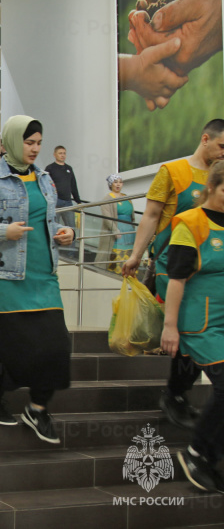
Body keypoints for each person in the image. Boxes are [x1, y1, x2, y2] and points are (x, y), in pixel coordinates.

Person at [0, 115, 75, 444]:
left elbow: (48, 223)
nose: (34, 149)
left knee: (57, 347)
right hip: (2, 278)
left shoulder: (45, 180)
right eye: (28, 142)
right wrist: (2, 232)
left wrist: (65, 233)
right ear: (11, 142)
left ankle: (37, 408)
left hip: (43, 279)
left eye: (38, 143)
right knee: (12, 350)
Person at [122, 119, 224, 430]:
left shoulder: (219, 177)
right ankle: (175, 393)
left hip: (209, 271)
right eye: (221, 146)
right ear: (204, 139)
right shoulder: (172, 172)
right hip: (172, 267)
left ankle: (176, 393)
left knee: (193, 336)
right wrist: (136, 256)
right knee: (189, 332)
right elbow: (151, 215)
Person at [161, 161, 224, 493]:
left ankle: (209, 457)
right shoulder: (190, 224)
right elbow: (176, 280)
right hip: (200, 325)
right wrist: (170, 326)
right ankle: (197, 452)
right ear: (211, 187)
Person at [99, 174, 136, 274]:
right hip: (117, 231)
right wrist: (115, 230)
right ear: (111, 184)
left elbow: (132, 215)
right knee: (116, 256)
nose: (118, 184)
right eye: (115, 182)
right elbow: (107, 217)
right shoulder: (107, 198)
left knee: (130, 255)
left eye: (120, 182)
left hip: (129, 231)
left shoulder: (126, 197)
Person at [44, 146, 81, 231]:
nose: (62, 155)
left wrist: (78, 201)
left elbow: (73, 185)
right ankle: (55, 245)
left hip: (68, 201)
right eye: (60, 153)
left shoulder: (69, 168)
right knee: (55, 228)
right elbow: (45, 185)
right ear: (54, 155)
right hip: (55, 202)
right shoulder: (50, 168)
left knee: (71, 228)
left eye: (64, 153)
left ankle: (72, 244)